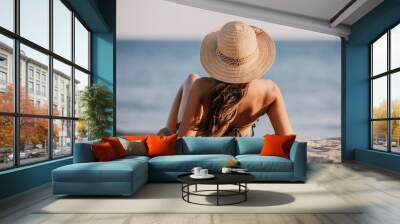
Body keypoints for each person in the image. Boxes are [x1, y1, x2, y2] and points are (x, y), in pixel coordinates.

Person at [159, 21, 294, 137]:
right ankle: (168, 133)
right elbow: (288, 141)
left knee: (191, 78)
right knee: (191, 79)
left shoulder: (201, 87)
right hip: (241, 142)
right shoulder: (270, 90)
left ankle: (168, 135)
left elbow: (185, 143)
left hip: (205, 140)